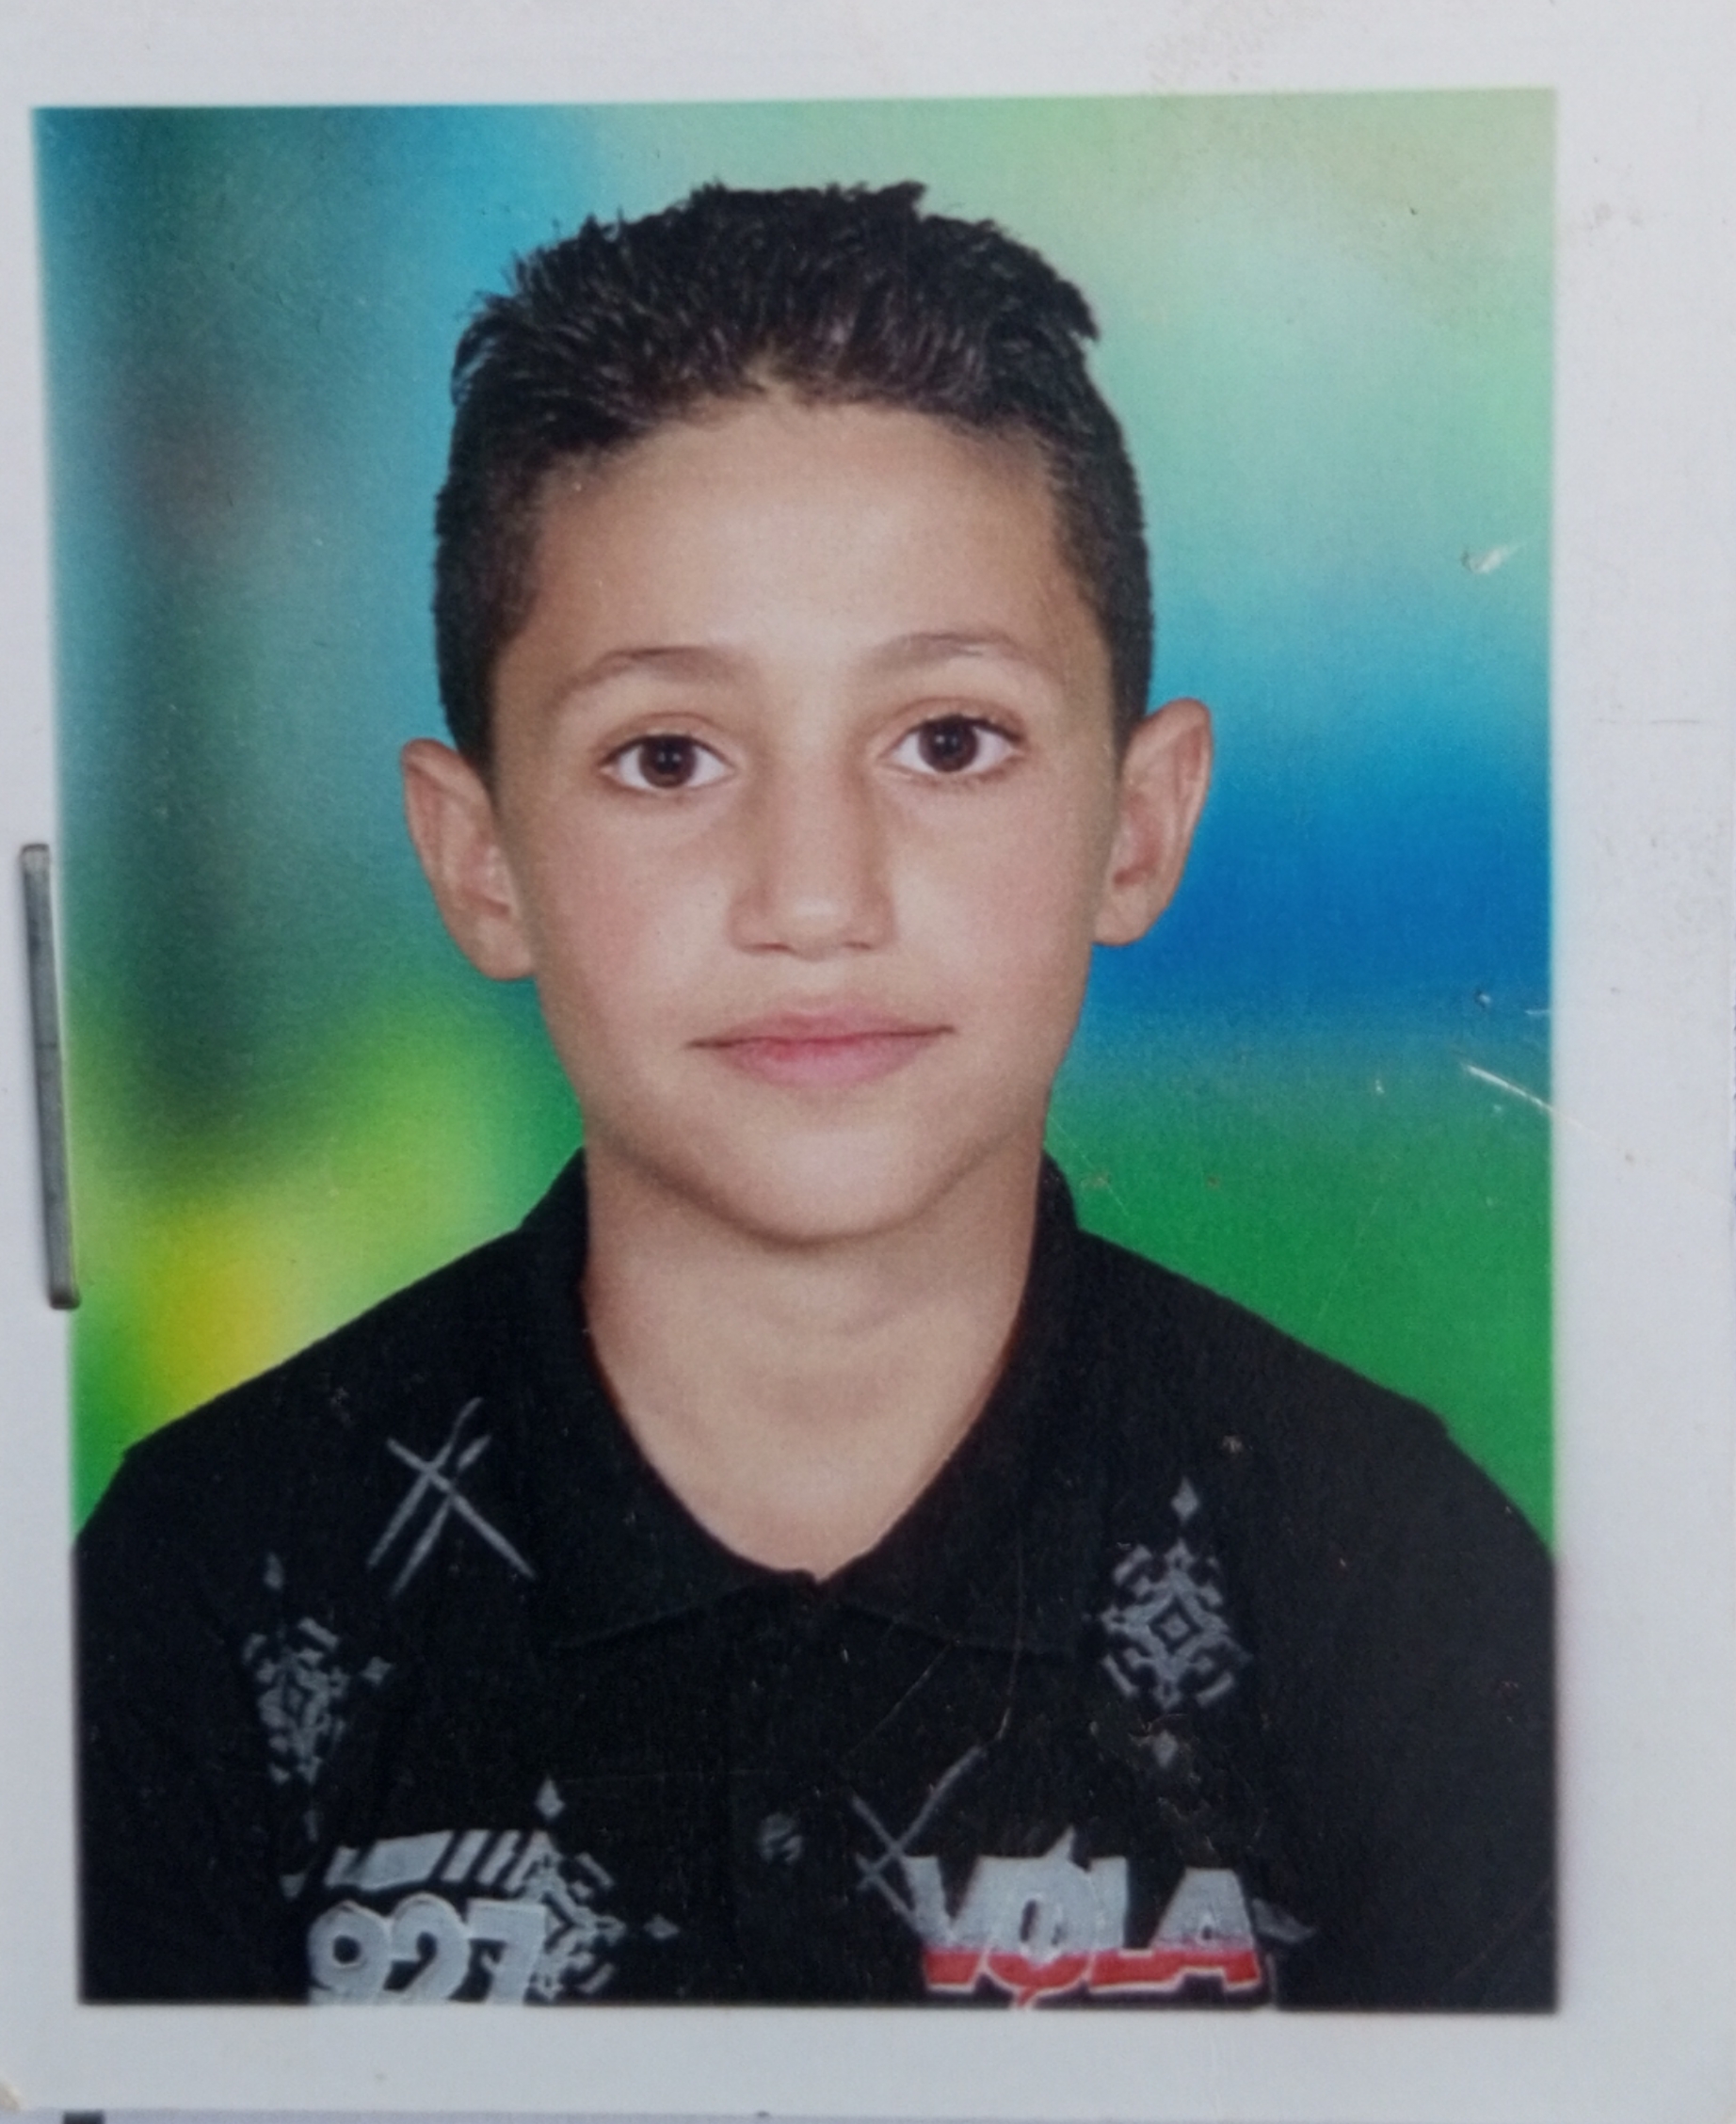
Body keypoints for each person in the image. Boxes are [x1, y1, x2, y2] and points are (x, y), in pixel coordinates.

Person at [76, 181, 1552, 2009]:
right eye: (666, 757)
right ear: (477, 862)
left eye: (948, 741)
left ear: (1139, 822)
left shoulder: (1397, 1582)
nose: (815, 898)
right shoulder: (201, 1593)